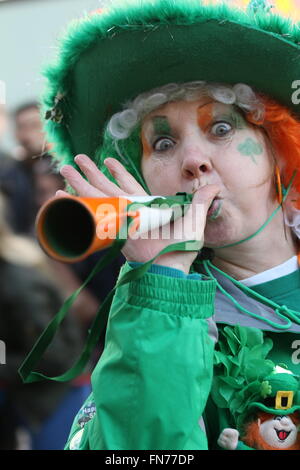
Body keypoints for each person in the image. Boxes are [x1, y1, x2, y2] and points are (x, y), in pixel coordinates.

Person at [33, 0, 300, 450]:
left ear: (278, 147)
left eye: (220, 129)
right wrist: (162, 285)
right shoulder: (145, 318)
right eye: (163, 142)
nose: (194, 162)